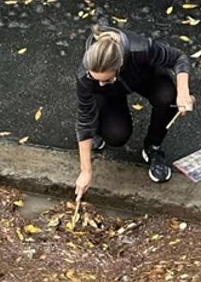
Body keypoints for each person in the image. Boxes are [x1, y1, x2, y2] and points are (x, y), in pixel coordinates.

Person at [74, 24, 193, 201]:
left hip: (143, 77)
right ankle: (99, 128)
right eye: (95, 78)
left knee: (168, 97)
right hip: (110, 93)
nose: (99, 83)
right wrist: (86, 171)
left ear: (120, 65)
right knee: (116, 135)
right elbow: (84, 119)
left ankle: (153, 147)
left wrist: (183, 92)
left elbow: (178, 58)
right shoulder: (85, 76)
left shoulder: (142, 49)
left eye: (105, 79)